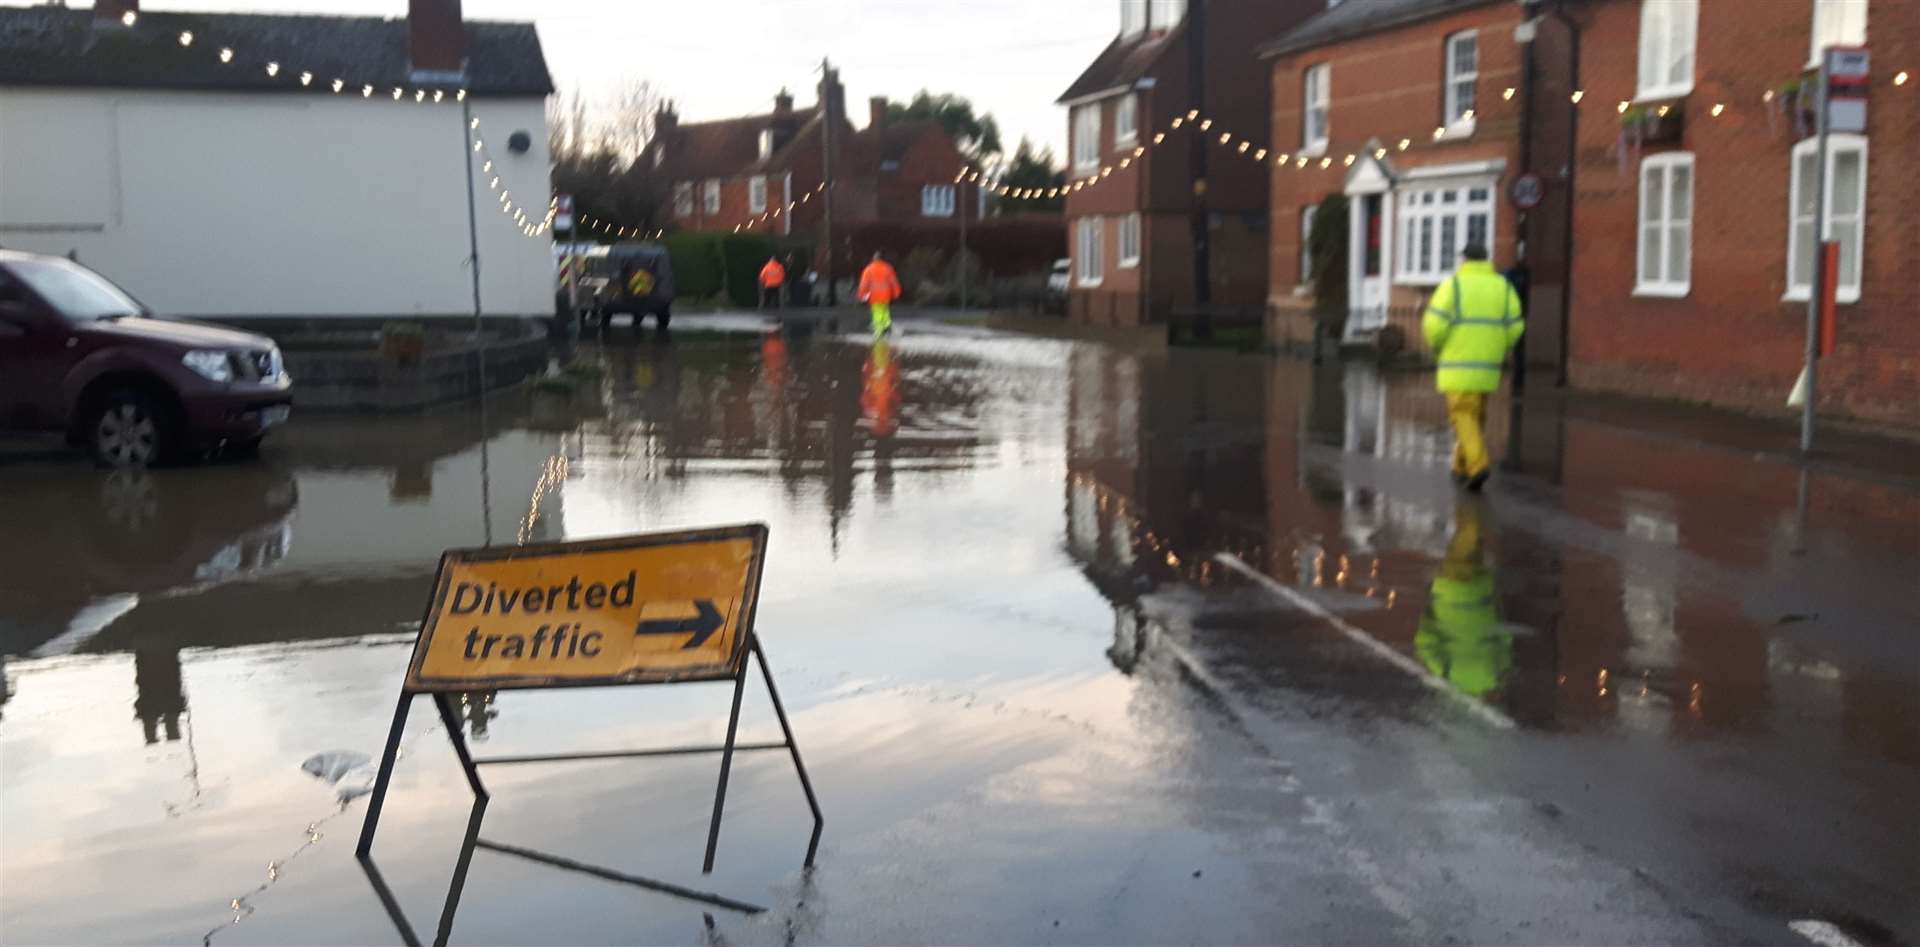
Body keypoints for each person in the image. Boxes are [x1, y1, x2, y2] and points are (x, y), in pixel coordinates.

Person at [1421, 243, 1524, 491]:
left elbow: (1434, 326)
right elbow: (1515, 326)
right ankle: (1460, 465)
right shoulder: (1502, 286)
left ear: (1464, 260)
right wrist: (1500, 346)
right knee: (1475, 416)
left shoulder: (1453, 286)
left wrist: (1437, 346)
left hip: (1458, 364)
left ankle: (1478, 465)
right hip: (1488, 365)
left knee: (1463, 414)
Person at [1414, 498, 1513, 699]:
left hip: (1480, 592)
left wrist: (1494, 609)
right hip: (1448, 591)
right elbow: (1425, 641)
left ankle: (1473, 510)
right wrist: (1429, 613)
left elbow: (1505, 637)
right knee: (1462, 545)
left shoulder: (1493, 677)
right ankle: (1469, 502)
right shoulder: (1447, 674)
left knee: (1472, 548)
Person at [857, 251, 902, 336]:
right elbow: (893, 281)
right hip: (885, 295)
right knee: (884, 310)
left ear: (874, 259)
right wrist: (897, 292)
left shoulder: (869, 269)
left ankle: (879, 330)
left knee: (877, 312)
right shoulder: (888, 268)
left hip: (874, 295)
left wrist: (861, 294)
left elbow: (864, 284)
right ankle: (887, 325)